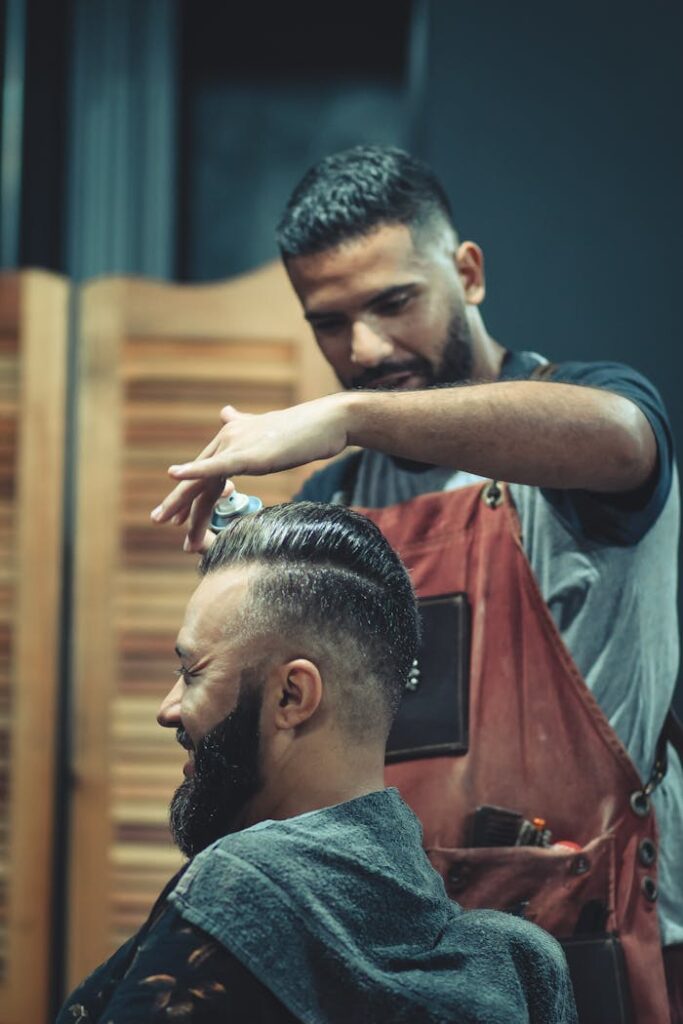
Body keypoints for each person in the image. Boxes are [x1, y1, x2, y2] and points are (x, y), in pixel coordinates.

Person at [150, 146, 683, 1022]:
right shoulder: (341, 502)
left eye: (394, 302)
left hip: (599, 946)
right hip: (408, 956)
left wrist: (346, 415)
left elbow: (625, 438)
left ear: (466, 273)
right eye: (329, 322)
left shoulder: (582, 419)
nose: (364, 348)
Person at [57, 503, 575, 1024]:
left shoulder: (242, 887)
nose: (167, 709)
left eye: (192, 673)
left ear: (291, 695)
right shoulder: (516, 966)